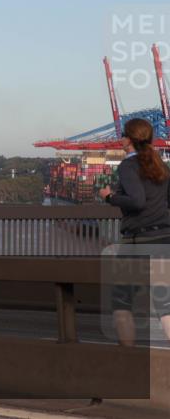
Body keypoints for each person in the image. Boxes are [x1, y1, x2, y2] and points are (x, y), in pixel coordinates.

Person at [98, 117, 170, 346]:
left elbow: (137, 201)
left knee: (121, 304)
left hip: (137, 242)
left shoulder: (128, 166)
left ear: (127, 140)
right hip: (163, 239)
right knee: (165, 305)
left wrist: (109, 197)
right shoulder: (161, 164)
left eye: (122, 136)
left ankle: (128, 366)